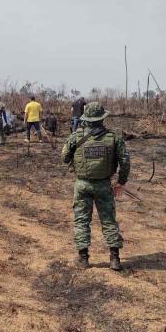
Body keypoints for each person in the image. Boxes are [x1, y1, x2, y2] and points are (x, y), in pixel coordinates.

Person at [61, 102, 130, 271]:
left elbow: (64, 157)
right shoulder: (113, 138)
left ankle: (83, 258)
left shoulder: (76, 136)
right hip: (104, 185)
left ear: (86, 118)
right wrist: (121, 182)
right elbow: (125, 161)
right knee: (108, 220)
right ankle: (115, 259)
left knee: (81, 220)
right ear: (102, 118)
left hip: (83, 185)